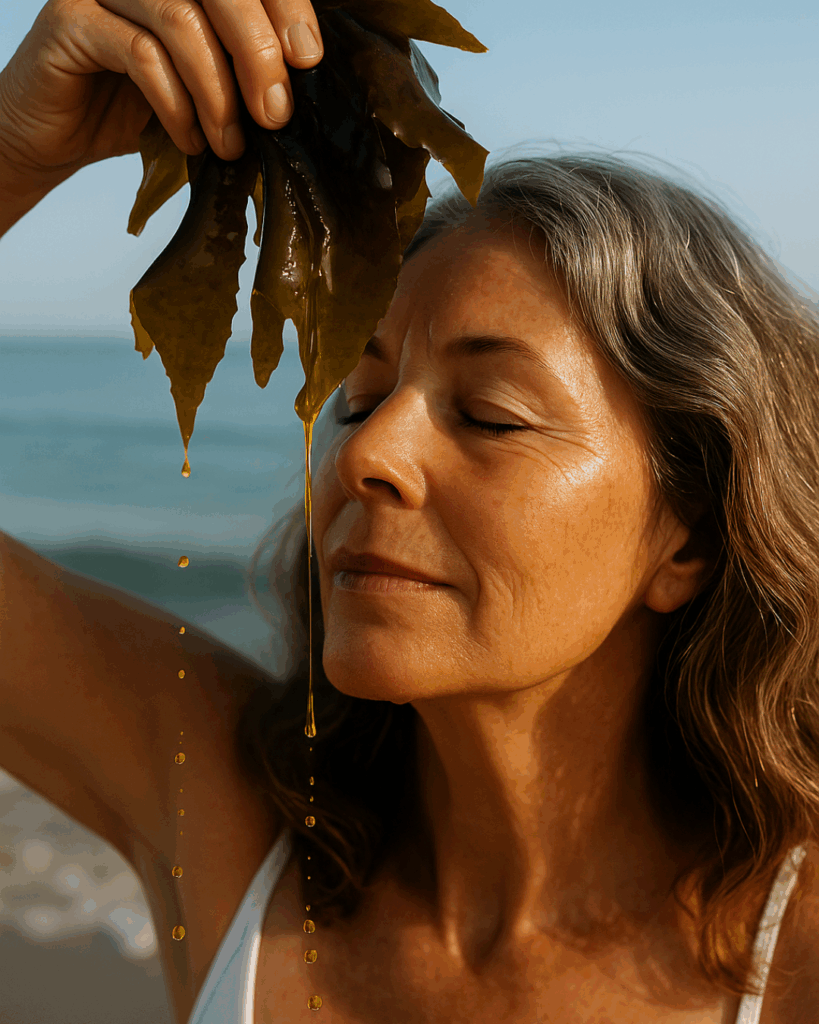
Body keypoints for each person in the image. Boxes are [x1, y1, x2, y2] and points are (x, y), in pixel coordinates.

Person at [2, 3, 819, 1024]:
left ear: (688, 535)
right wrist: (13, 147)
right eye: (359, 398)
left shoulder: (795, 953)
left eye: (489, 415)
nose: (365, 454)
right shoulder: (229, 807)